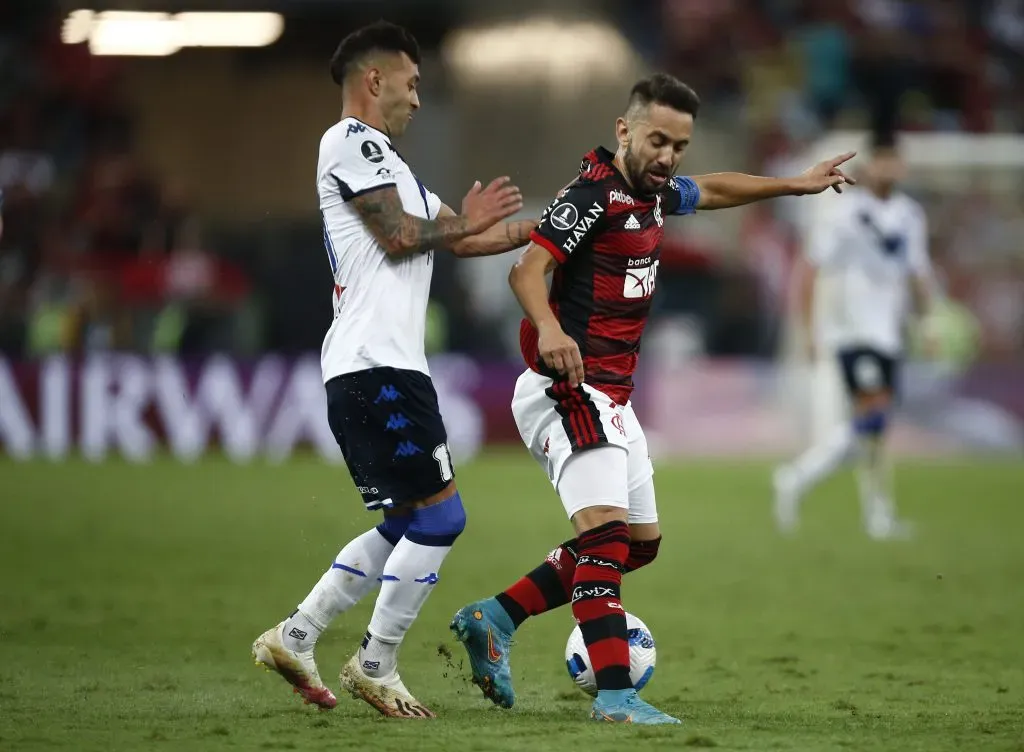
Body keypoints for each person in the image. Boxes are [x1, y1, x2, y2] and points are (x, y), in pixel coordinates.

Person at [449, 73, 856, 725]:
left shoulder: (657, 192)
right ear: (624, 131)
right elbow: (527, 269)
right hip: (570, 387)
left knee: (639, 544)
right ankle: (615, 698)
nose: (668, 155)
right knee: (606, 539)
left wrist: (795, 184)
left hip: (613, 394)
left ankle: (493, 618)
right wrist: (550, 328)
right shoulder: (591, 195)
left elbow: (716, 188)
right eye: (657, 140)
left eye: (679, 145)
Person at [252, 21, 534, 719]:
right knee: (443, 518)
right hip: (375, 365)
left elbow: (471, 239)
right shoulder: (347, 141)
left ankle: (298, 633)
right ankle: (375, 663)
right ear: (374, 81)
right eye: (411, 84)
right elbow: (403, 236)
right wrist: (463, 222)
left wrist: (574, 218)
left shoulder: (393, 166)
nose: (417, 98)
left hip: (380, 366)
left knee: (408, 519)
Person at [773, 134, 936, 539]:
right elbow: (809, 269)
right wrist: (807, 329)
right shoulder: (844, 213)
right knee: (875, 415)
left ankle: (877, 515)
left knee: (876, 430)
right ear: (871, 164)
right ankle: (796, 476)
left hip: (888, 335)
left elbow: (917, 274)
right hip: (851, 333)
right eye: (882, 160)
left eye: (895, 160)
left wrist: (927, 325)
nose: (889, 168)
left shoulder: (910, 215)